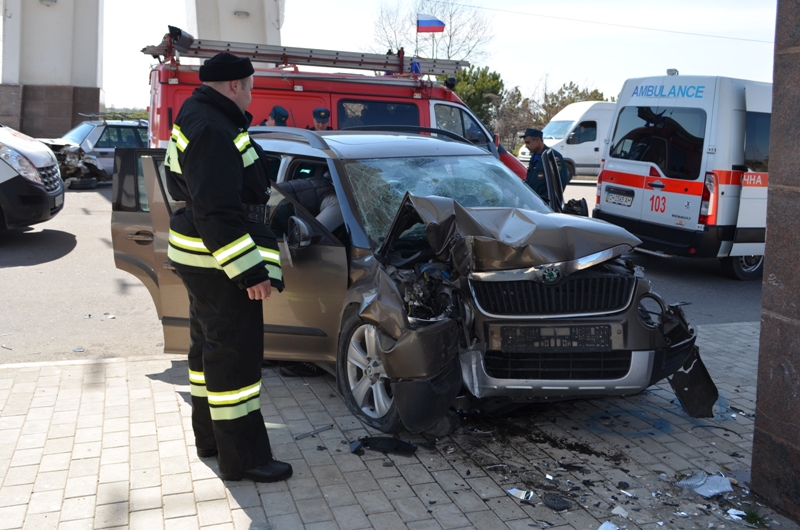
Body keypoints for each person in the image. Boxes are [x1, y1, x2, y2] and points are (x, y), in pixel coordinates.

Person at [164, 52, 293, 483]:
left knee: (209, 352)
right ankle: (245, 459)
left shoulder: (200, 113)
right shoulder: (212, 128)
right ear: (235, 85)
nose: (252, 94)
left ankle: (213, 441)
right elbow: (217, 212)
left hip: (201, 258)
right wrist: (250, 272)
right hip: (218, 263)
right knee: (234, 360)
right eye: (250, 86)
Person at [520, 127, 570, 202]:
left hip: (546, 203)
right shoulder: (534, 157)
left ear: (537, 140)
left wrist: (550, 201)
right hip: (534, 202)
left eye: (528, 142)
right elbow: (530, 180)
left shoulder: (552, 156)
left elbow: (560, 182)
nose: (526, 146)